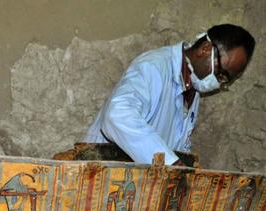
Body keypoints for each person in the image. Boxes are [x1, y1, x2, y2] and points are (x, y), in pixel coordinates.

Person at [84, 24, 255, 165]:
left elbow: (176, 145)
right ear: (205, 49)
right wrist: (170, 163)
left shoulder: (192, 87)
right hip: (100, 170)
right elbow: (118, 114)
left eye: (225, 81)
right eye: (221, 74)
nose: (218, 83)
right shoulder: (154, 67)